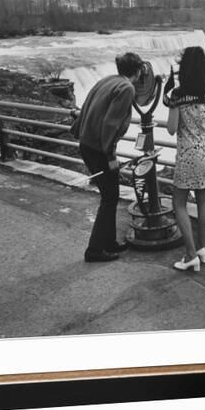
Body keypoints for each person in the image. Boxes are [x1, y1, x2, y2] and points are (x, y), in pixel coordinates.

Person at [71, 52, 144, 262]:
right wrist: (111, 156)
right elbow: (110, 124)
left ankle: (109, 242)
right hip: (99, 149)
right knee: (109, 198)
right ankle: (94, 250)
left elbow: (87, 107)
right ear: (138, 71)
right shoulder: (127, 88)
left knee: (110, 196)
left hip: (88, 145)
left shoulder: (107, 80)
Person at [165, 46, 205, 272]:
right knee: (202, 200)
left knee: (178, 202)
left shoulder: (178, 95)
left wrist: (172, 104)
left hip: (188, 155)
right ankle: (201, 249)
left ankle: (189, 256)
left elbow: (170, 129)